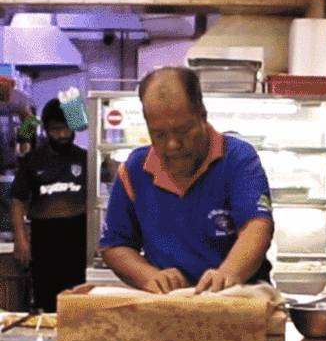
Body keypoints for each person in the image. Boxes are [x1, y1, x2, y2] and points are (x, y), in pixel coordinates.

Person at [99, 66, 274, 294]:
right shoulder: (133, 169)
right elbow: (115, 245)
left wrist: (228, 273)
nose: (172, 144)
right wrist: (149, 276)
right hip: (169, 306)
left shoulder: (238, 158)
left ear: (202, 115)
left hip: (237, 301)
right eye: (159, 134)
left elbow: (257, 226)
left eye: (183, 131)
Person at [11, 98, 87, 311]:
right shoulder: (32, 160)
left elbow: (110, 179)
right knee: (47, 297)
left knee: (78, 298)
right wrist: (21, 239)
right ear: (46, 130)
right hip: (45, 236)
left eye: (66, 129)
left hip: (79, 233)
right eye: (56, 130)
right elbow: (17, 201)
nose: (62, 135)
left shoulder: (84, 158)